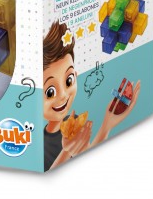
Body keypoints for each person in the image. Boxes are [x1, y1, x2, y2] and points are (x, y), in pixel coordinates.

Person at [43, 20, 141, 170]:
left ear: (75, 76)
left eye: (69, 81)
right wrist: (67, 150)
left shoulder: (73, 122)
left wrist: (107, 125)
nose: (63, 95)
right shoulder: (39, 143)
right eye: (50, 92)